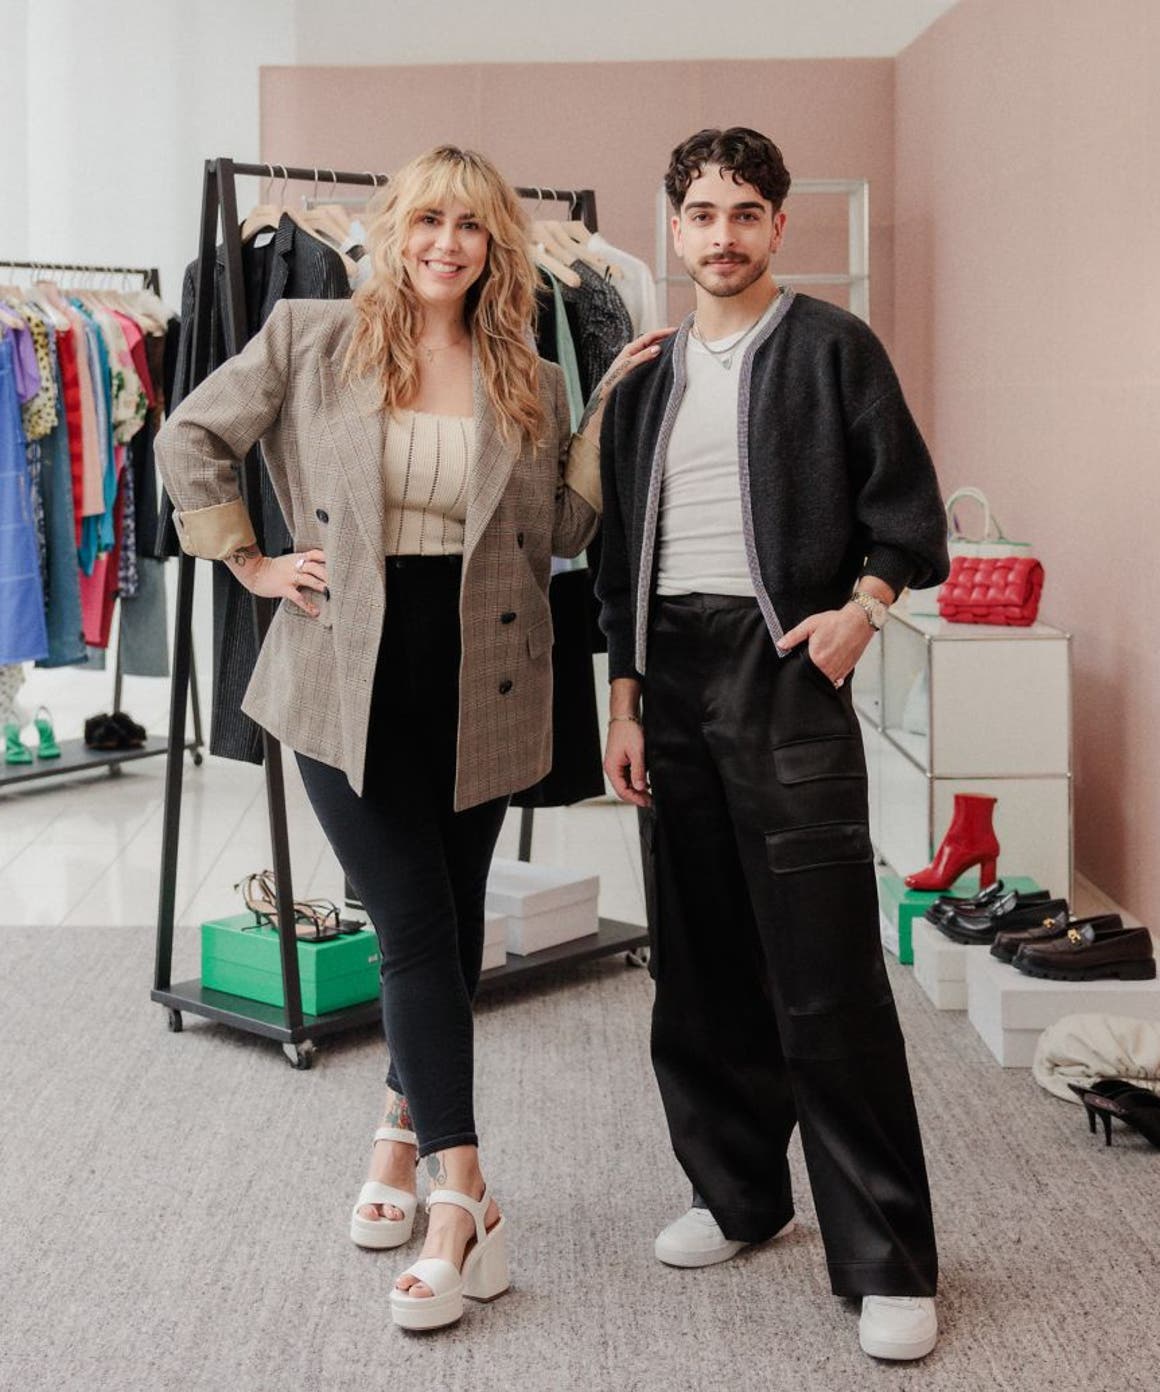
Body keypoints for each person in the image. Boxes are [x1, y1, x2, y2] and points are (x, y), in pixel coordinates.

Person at [157, 145, 665, 1333]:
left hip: (484, 673)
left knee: (443, 918)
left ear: (497, 248)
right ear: (391, 231)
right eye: (427, 219)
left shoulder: (528, 370)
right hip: (344, 671)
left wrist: (604, 412)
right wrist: (250, 560)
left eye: (471, 227)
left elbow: (562, 526)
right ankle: (464, 1195)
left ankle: (395, 1136)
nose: (447, 242)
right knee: (413, 928)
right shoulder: (308, 333)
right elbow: (190, 438)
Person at [596, 127, 950, 1362]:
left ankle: (888, 1257)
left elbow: (908, 513)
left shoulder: (831, 348)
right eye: (701, 212)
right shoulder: (640, 375)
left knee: (824, 972)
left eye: (745, 211)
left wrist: (862, 610)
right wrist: (625, 698)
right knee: (694, 963)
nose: (722, 234)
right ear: (673, 225)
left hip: (784, 666)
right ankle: (736, 1195)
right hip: (669, 682)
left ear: (778, 226)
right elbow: (609, 558)